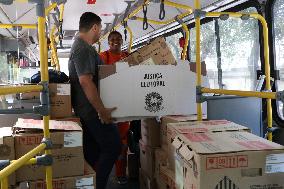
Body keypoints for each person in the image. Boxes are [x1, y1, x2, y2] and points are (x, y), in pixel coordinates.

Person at [68, 12, 121, 189]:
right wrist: (101, 110)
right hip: (92, 111)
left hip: (86, 109)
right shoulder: (82, 48)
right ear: (95, 27)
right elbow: (85, 81)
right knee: (113, 146)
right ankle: (97, 186)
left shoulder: (82, 47)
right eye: (100, 29)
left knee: (92, 152)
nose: (100, 34)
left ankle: (88, 185)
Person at [99, 31, 129, 185]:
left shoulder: (127, 55)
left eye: (118, 39)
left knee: (123, 142)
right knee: (110, 141)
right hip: (109, 105)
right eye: (112, 40)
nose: (115, 42)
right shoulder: (103, 56)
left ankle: (120, 173)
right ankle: (103, 173)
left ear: (122, 40)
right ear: (108, 42)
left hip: (126, 103)